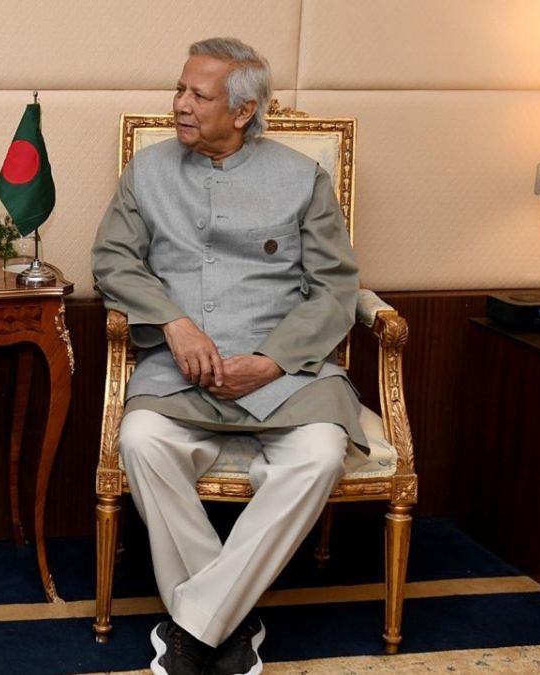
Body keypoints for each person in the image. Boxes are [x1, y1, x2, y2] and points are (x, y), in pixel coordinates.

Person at [91, 37, 365, 675]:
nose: (179, 104)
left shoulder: (302, 178)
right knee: (142, 441)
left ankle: (190, 630)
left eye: (198, 95)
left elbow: (335, 290)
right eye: (179, 89)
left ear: (243, 112)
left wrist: (271, 360)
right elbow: (113, 261)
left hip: (288, 373)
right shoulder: (149, 171)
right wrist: (175, 323)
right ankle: (230, 626)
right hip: (180, 369)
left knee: (322, 455)